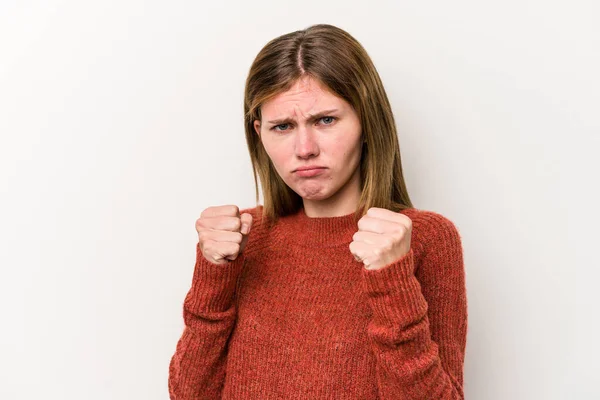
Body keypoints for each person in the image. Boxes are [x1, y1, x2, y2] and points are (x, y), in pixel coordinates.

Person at [168, 23, 468, 399]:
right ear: (259, 133)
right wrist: (213, 275)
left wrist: (392, 280)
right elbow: (188, 395)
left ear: (366, 122)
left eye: (325, 120)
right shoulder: (242, 238)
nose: (305, 148)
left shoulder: (423, 238)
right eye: (282, 127)